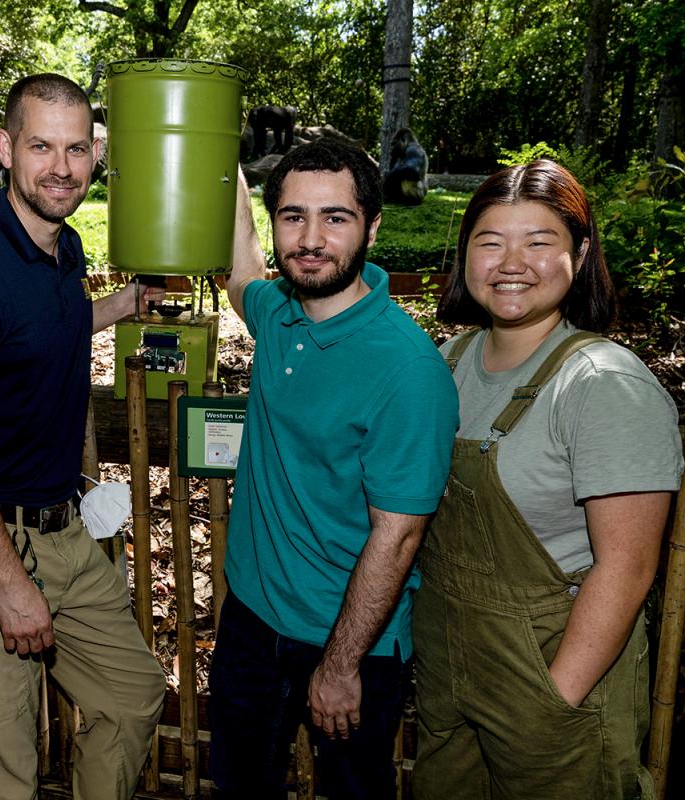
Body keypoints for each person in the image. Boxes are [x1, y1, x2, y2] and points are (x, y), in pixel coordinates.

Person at [0, 73, 166, 800]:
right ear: (3, 148)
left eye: (77, 149)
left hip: (62, 534)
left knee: (135, 696)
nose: (61, 167)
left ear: (95, 154)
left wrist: (122, 304)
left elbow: (39, 335)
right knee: (8, 776)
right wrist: (6, 579)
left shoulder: (65, 250)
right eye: (41, 146)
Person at [411, 160, 684, 799]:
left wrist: (554, 700)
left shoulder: (603, 385)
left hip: (551, 680)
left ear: (580, 253)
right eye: (491, 242)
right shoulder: (445, 364)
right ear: (465, 255)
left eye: (539, 242)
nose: (512, 262)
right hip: (449, 671)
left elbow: (628, 567)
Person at [210, 138, 459, 798]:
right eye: (293, 216)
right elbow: (241, 278)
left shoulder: (406, 370)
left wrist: (341, 664)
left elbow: (398, 534)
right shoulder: (279, 314)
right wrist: (224, 167)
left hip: (350, 643)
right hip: (252, 623)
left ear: (372, 226)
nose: (311, 238)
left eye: (335, 218)